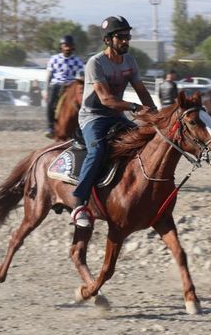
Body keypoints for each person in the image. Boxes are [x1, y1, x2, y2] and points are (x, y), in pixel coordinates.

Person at [71, 15, 157, 229]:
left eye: (128, 36)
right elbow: (106, 99)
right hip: (94, 116)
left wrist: (155, 116)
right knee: (98, 150)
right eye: (121, 37)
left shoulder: (130, 61)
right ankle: (79, 203)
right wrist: (136, 108)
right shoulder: (95, 63)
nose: (126, 41)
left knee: (143, 142)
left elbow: (142, 91)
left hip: (117, 115)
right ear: (108, 40)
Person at [45, 35, 85, 138]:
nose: (67, 48)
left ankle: (82, 127)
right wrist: (46, 91)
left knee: (83, 103)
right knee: (50, 103)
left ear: (73, 47)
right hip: (57, 84)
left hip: (71, 84)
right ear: (61, 47)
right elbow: (49, 76)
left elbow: (82, 74)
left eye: (69, 46)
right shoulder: (54, 59)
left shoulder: (77, 60)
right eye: (65, 45)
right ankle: (50, 127)